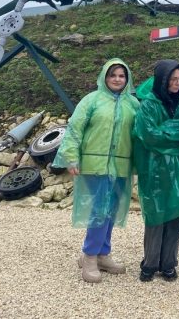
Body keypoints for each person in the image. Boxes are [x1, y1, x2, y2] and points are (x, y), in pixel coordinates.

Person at [52, 58, 139, 284]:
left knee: (112, 210)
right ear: (104, 77)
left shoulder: (133, 104)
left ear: (127, 79)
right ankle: (90, 256)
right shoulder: (92, 100)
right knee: (100, 209)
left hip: (121, 166)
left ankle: (103, 254)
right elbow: (75, 129)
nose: (117, 79)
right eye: (113, 75)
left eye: (121, 76)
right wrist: (71, 157)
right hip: (95, 166)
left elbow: (139, 134)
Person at [133, 60, 179, 283]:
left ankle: (169, 263)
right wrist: (177, 133)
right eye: (173, 79)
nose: (177, 83)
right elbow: (149, 135)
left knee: (176, 216)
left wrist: (166, 130)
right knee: (155, 216)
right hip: (154, 168)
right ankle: (150, 263)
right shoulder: (148, 104)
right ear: (162, 79)